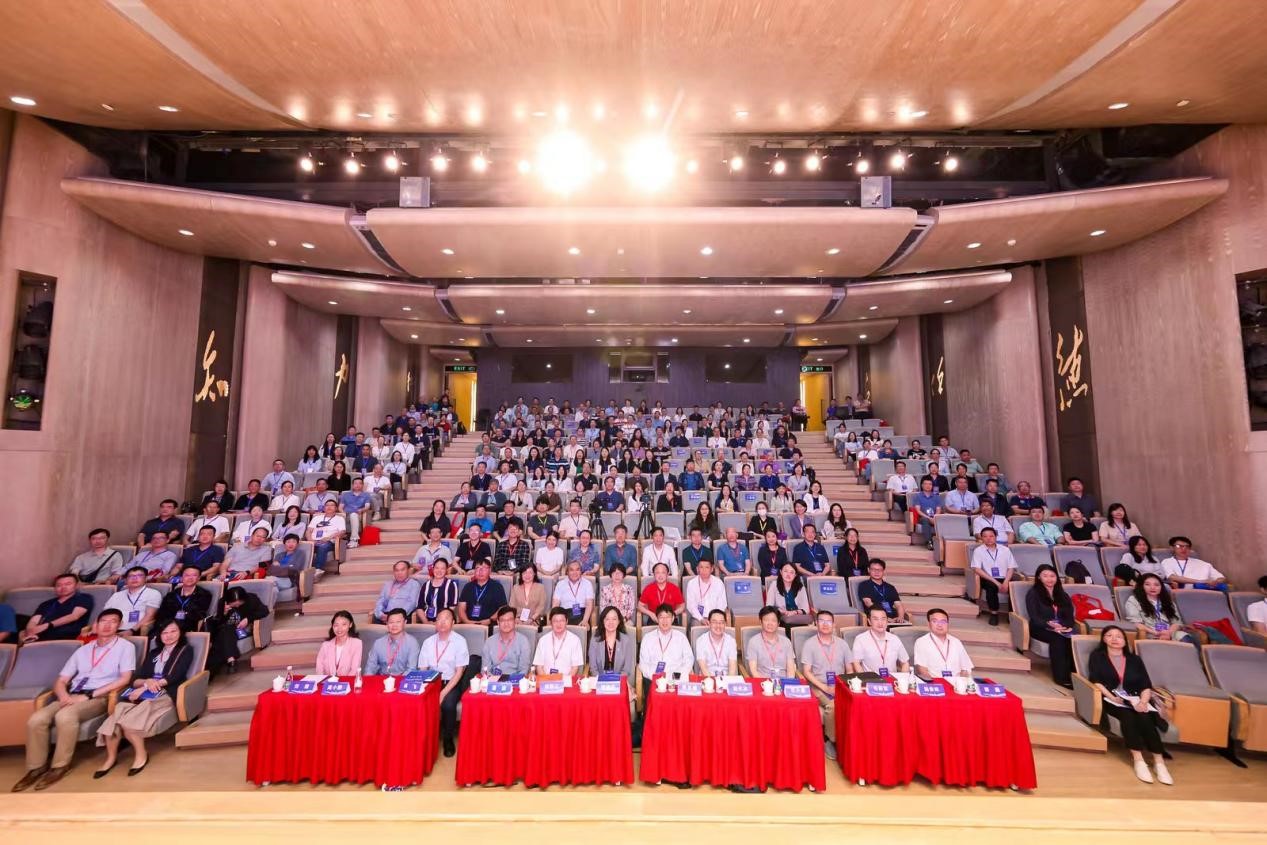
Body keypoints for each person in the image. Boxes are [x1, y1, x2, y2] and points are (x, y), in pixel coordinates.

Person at [12, 609, 136, 792]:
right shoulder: (83, 650)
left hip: (99, 696)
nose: (108, 625)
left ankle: (60, 766)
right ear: (96, 625)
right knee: (36, 719)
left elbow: (125, 679)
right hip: (71, 695)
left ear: (119, 625)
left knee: (65, 716)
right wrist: (64, 696)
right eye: (104, 621)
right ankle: (36, 767)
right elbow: (61, 680)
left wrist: (88, 696)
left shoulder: (125, 647)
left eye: (113, 621)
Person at [93, 618, 194, 778]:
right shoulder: (154, 653)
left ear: (180, 632)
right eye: (164, 632)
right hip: (143, 694)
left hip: (166, 694)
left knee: (130, 722)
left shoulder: (185, 650)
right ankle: (110, 758)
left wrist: (146, 687)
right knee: (114, 718)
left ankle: (141, 756)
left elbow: (174, 676)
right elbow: (136, 679)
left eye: (173, 631)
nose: (168, 635)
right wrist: (146, 682)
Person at [1087, 625, 1172, 784]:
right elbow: (1096, 681)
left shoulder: (1135, 660)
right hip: (1111, 699)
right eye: (1109, 635)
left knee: (1144, 716)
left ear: (1125, 641)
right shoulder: (1097, 656)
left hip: (1135, 699)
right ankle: (1138, 759)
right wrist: (1112, 697)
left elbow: (1145, 685)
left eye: (1118, 636)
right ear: (1103, 639)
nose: (1114, 639)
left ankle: (1159, 762)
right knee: (1128, 716)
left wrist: (1143, 702)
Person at [419, 608, 472, 757]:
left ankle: (448, 738)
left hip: (452, 682)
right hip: (431, 681)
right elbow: (423, 669)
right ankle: (425, 736)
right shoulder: (428, 642)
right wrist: (425, 688)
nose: (442, 622)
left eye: (446, 619)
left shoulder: (460, 641)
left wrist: (442, 693)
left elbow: (459, 672)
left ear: (453, 622)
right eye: (439, 619)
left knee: (448, 704)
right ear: (435, 623)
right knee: (421, 700)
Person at [800, 609, 852, 761]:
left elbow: (849, 669)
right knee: (833, 706)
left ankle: (851, 740)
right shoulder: (810, 644)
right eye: (821, 621)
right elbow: (806, 672)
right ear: (816, 623)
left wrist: (843, 685)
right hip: (818, 686)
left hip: (840, 685)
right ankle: (832, 741)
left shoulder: (842, 644)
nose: (825, 624)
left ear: (834, 625)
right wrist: (825, 688)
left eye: (828, 621)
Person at [1027, 563, 1076, 688]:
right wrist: (1049, 625)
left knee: (1074, 639)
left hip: (1061, 627)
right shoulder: (1033, 593)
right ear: (1039, 577)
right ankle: (1061, 678)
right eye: (1045, 576)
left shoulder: (1062, 594)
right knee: (1058, 639)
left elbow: (1069, 615)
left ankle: (1076, 676)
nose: (1049, 579)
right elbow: (1034, 617)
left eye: (1052, 576)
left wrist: (1067, 626)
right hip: (1040, 627)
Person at [206, 586, 268, 675]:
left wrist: (248, 619)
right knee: (225, 631)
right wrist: (224, 613)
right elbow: (218, 622)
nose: (237, 606)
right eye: (234, 605)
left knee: (220, 639)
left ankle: (213, 669)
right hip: (227, 631)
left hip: (244, 629)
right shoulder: (223, 602)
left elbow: (264, 611)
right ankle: (230, 659)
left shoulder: (251, 599)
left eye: (240, 603)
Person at [21, 573, 93, 642]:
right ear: (55, 588)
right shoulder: (46, 604)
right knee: (20, 619)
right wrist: (30, 632)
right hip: (41, 635)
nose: (63, 587)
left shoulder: (83, 598)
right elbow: (34, 620)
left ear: (76, 586)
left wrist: (48, 625)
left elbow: (74, 616)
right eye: (59, 585)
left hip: (67, 634)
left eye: (68, 584)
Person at [1121, 574, 1192, 643]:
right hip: (1150, 633)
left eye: (1156, 585)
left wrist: (1169, 633)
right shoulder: (1133, 600)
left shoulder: (1167, 601)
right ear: (1141, 586)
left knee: (1186, 638)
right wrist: (1157, 633)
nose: (1152, 587)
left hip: (1170, 633)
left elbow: (1177, 622)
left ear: (1161, 587)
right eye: (1147, 584)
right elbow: (1136, 623)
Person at [971, 527, 1018, 626]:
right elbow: (977, 569)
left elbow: (1011, 567)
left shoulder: (1005, 550)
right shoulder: (978, 551)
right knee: (991, 586)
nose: (988, 538)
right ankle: (994, 613)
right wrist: (996, 582)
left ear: (996, 536)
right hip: (988, 578)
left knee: (1013, 587)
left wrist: (1006, 582)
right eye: (985, 536)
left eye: (991, 536)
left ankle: (1012, 615)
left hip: (1004, 577)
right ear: (981, 538)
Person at [638, 604, 694, 686]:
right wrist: (655, 676)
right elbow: (643, 664)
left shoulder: (681, 637)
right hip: (653, 680)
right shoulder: (647, 638)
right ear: (657, 619)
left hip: (677, 680)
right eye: (661, 617)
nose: (665, 621)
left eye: (668, 617)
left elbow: (689, 659)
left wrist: (678, 676)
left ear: (673, 619)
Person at [913, 609, 974, 679]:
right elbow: (922, 670)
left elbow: (966, 668)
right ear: (929, 624)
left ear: (948, 624)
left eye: (943, 621)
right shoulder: (922, 642)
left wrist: (961, 682)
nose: (939, 625)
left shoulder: (956, 642)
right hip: (935, 683)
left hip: (956, 683)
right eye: (935, 621)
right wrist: (935, 684)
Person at [851, 607, 910, 675]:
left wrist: (903, 678)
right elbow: (856, 663)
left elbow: (905, 662)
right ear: (869, 621)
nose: (880, 623)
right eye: (876, 619)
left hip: (892, 680)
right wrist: (864, 679)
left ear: (887, 621)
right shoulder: (861, 639)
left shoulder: (894, 639)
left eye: (883, 619)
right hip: (871, 680)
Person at [104, 566, 163, 634]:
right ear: (125, 580)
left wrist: (132, 630)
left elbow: (150, 615)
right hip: (112, 629)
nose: (134, 578)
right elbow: (104, 614)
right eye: (131, 576)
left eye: (139, 575)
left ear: (146, 578)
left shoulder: (153, 593)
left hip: (137, 629)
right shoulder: (116, 595)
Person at [364, 608, 420, 675]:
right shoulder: (378, 643)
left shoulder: (412, 643)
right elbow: (370, 668)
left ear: (405, 622)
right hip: (382, 678)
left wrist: (399, 681)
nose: (394, 625)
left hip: (402, 679)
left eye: (398, 622)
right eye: (391, 622)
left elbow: (411, 669)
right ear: (387, 624)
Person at [157, 566, 213, 632]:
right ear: (181, 577)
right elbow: (163, 612)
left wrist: (181, 615)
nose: (190, 578)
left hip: (189, 627)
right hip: (168, 625)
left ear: (198, 578)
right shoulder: (172, 594)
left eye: (194, 575)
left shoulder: (204, 595)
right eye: (187, 575)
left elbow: (198, 615)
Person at [532, 607, 585, 677]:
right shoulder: (543, 640)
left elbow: (575, 668)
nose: (558, 624)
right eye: (555, 621)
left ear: (567, 621)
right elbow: (539, 667)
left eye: (562, 621)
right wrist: (546, 680)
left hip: (566, 680)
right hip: (545, 680)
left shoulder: (575, 640)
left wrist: (565, 681)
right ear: (551, 622)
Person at [1160, 536, 1227, 590]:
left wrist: (1215, 582)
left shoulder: (1203, 564)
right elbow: (1172, 577)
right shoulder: (1167, 562)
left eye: (1187, 546)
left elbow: (1221, 578)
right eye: (1179, 546)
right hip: (1180, 594)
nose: (1184, 549)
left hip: (1204, 592)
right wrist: (1201, 581)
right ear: (1172, 548)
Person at [747, 606, 796, 678]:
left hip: (783, 681)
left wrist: (789, 682)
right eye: (766, 620)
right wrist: (765, 683)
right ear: (760, 622)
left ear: (778, 623)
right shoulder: (753, 642)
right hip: (763, 682)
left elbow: (791, 669)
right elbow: (753, 671)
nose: (770, 623)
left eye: (773, 620)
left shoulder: (786, 642)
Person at [483, 606, 532, 677]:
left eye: (509, 620)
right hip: (493, 680)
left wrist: (513, 681)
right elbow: (485, 669)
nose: (506, 624)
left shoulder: (523, 641)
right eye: (502, 620)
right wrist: (493, 680)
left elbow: (524, 670)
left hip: (515, 680)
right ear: (498, 622)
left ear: (515, 621)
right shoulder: (489, 642)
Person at [589, 606, 635, 679]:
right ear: (603, 621)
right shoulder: (595, 639)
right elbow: (593, 668)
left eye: (614, 619)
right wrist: (601, 681)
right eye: (607, 619)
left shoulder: (626, 640)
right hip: (599, 681)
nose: (611, 622)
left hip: (619, 682)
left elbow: (626, 669)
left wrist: (616, 682)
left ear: (619, 621)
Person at [315, 610, 363, 675]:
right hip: (328, 680)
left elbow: (354, 670)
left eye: (344, 624)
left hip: (349, 680)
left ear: (350, 625)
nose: (339, 628)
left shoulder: (357, 644)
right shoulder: (325, 645)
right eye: (336, 625)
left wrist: (343, 681)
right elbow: (319, 669)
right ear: (332, 626)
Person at [695, 608, 738, 677]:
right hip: (707, 678)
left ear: (725, 624)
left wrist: (728, 681)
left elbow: (732, 669)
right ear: (709, 623)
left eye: (721, 622)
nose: (718, 625)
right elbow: (704, 669)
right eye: (714, 622)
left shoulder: (731, 641)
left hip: (727, 677)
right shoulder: (701, 641)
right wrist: (713, 681)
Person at [306, 499, 346, 572]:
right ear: (324, 508)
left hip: (329, 542)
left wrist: (329, 538)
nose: (329, 507)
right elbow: (309, 531)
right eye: (327, 505)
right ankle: (302, 570)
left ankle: (318, 570)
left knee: (322, 546)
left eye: (332, 505)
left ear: (336, 508)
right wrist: (310, 540)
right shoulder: (316, 518)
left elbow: (342, 532)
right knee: (303, 547)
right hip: (314, 541)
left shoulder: (339, 519)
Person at [684, 559, 727, 624]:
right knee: (696, 626)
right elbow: (691, 605)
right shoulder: (692, 583)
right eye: (701, 567)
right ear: (697, 569)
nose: (704, 570)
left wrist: (714, 618)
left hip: (716, 617)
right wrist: (701, 619)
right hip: (698, 618)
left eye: (707, 567)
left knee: (718, 626)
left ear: (712, 569)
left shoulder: (718, 583)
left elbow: (722, 604)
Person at [553, 561, 596, 625]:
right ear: (567, 572)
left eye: (577, 570)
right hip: (565, 614)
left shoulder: (587, 584)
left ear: (581, 571)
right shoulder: (560, 584)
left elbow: (589, 604)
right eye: (571, 570)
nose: (575, 573)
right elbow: (555, 604)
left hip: (583, 614)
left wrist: (585, 621)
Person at [418, 559, 460, 623]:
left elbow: (452, 608)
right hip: (426, 621)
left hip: (444, 621)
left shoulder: (451, 585)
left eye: (442, 568)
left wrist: (438, 622)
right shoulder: (426, 585)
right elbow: (419, 607)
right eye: (437, 568)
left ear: (446, 570)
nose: (439, 571)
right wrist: (426, 622)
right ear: (433, 569)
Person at [339, 477, 374, 549]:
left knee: (353, 515)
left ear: (362, 485)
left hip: (358, 514)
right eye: (355, 483)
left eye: (360, 483)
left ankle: (354, 540)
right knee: (350, 515)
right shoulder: (345, 495)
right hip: (346, 514)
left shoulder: (366, 495)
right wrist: (343, 514)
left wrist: (362, 510)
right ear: (352, 485)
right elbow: (340, 507)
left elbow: (367, 506)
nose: (357, 485)